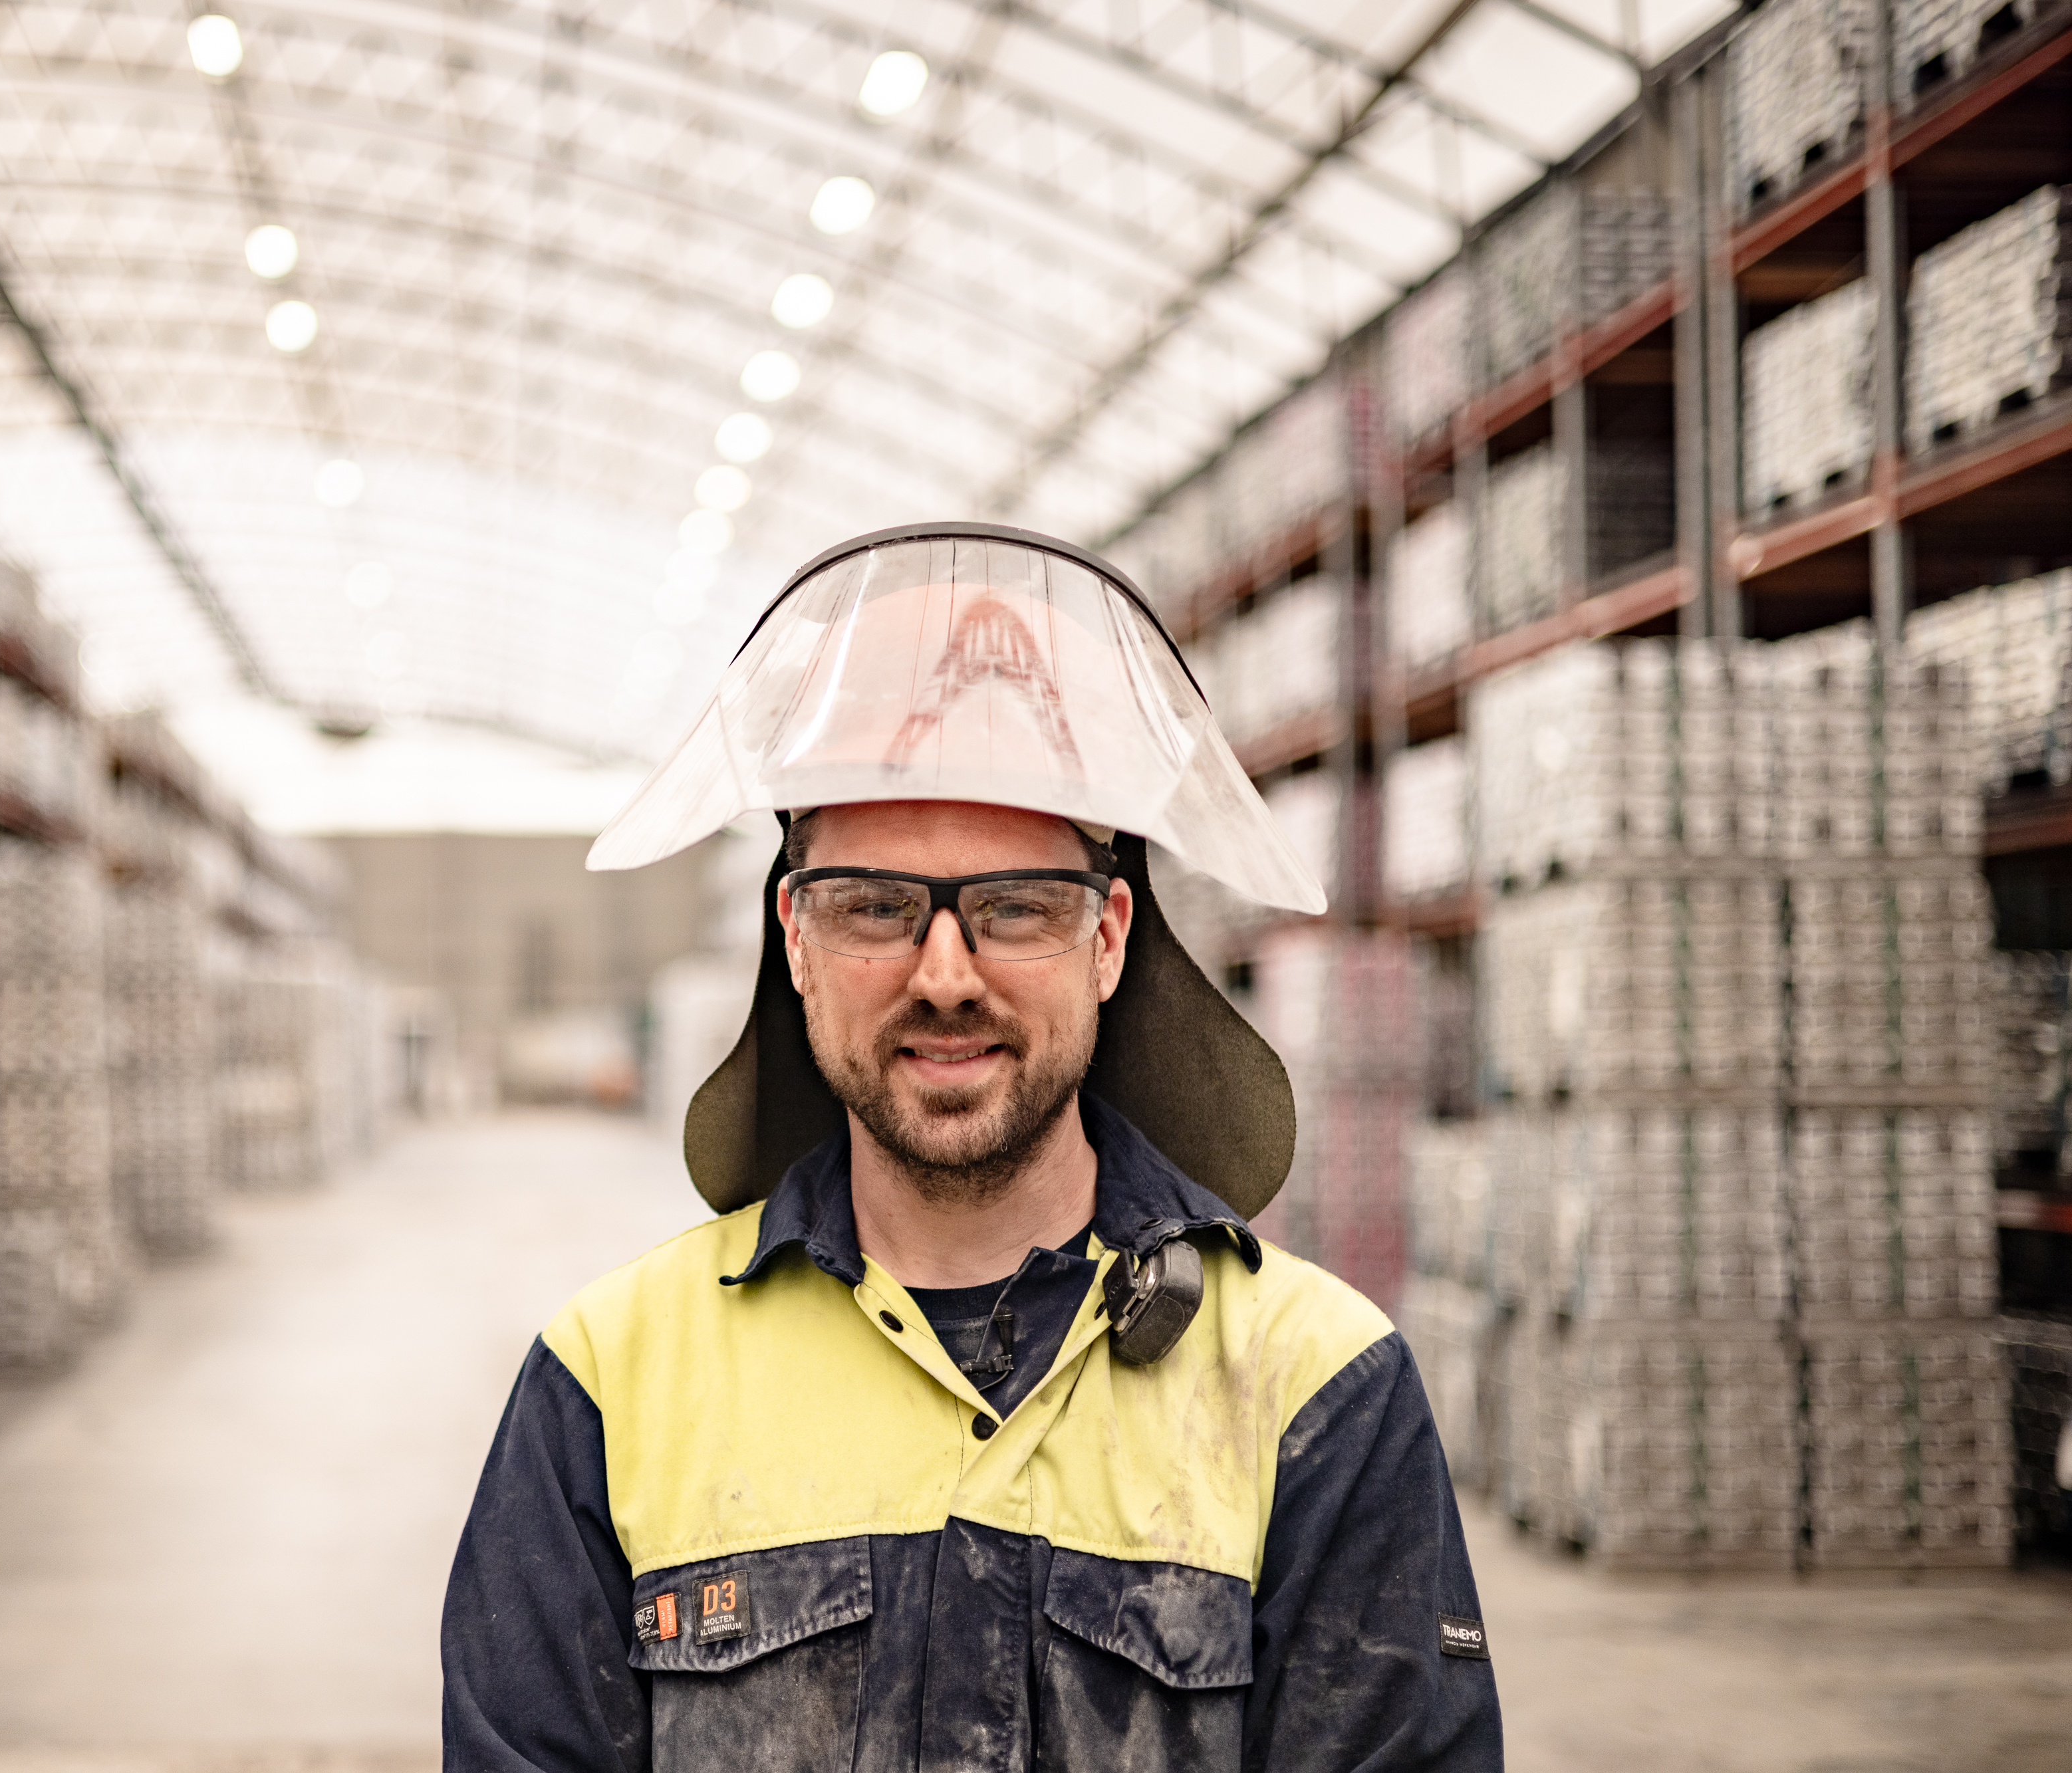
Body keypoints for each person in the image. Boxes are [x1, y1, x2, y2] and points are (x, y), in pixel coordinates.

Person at [442, 524, 1500, 1770]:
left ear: (1109, 936)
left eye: (1014, 908)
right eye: (877, 907)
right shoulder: (611, 1384)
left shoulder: (1313, 1391)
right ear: (793, 936)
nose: (946, 976)